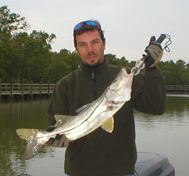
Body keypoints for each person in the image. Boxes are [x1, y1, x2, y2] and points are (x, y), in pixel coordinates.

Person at [47, 20, 166, 176]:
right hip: (78, 172)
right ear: (76, 48)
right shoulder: (65, 85)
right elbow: (55, 127)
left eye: (95, 42)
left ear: (104, 43)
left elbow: (155, 107)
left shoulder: (126, 78)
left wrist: (152, 70)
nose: (90, 49)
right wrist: (53, 138)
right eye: (83, 44)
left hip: (122, 171)